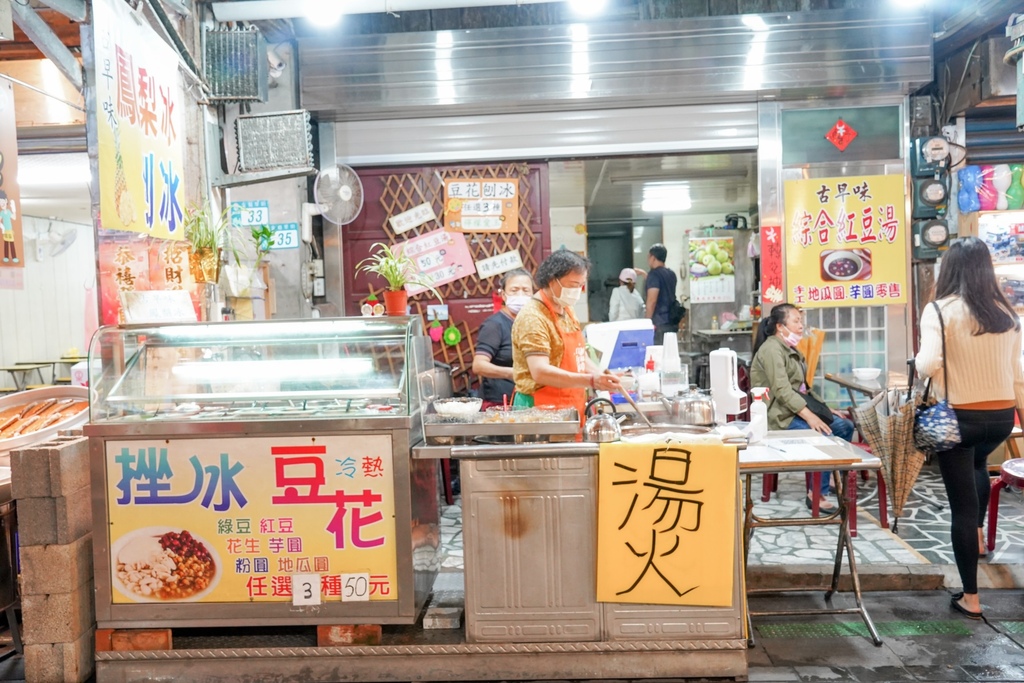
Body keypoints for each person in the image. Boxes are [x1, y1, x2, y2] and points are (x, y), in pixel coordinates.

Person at [915, 237, 1024, 621]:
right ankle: (977, 537)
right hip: (1000, 418)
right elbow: (1018, 376)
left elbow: (927, 365)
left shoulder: (940, 310)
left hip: (957, 419)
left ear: (950, 270)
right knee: (979, 467)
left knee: (961, 508)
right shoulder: (1005, 313)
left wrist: (919, 360)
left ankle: (971, 598)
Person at [750, 303, 854, 513]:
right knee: (821, 435)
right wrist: (810, 418)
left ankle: (829, 479)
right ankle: (816, 493)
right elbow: (782, 390)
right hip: (778, 416)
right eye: (796, 321)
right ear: (780, 326)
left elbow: (802, 388)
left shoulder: (789, 348)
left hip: (792, 409)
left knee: (845, 426)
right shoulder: (771, 349)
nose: (801, 326)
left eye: (800, 321)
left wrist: (824, 409)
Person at [511, 249, 622, 417]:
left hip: (569, 404)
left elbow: (579, 357)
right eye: (572, 285)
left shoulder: (567, 310)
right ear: (551, 279)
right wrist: (591, 381)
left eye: (581, 285)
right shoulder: (533, 317)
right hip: (538, 409)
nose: (577, 290)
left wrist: (601, 375)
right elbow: (540, 371)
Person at [472, 269, 535, 410]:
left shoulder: (533, 322)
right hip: (500, 404)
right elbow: (479, 365)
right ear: (504, 295)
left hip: (528, 399)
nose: (520, 295)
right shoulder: (494, 325)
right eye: (514, 290)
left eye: (526, 290)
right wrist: (513, 373)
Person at [644, 243, 678, 344]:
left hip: (659, 323)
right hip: (672, 321)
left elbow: (652, 301)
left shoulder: (653, 275)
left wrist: (647, 322)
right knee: (670, 352)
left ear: (652, 257)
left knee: (658, 354)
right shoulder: (671, 274)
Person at [0, 190, 17, 264]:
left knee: (12, 243)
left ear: (6, 201)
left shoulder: (9, 212)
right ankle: (6, 257)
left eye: (3, 202)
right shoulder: (1, 213)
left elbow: (14, 217)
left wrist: (14, 209)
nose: (2, 204)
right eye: (0, 203)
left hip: (10, 230)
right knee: (6, 243)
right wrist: (2, 227)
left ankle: (14, 257)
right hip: (6, 231)